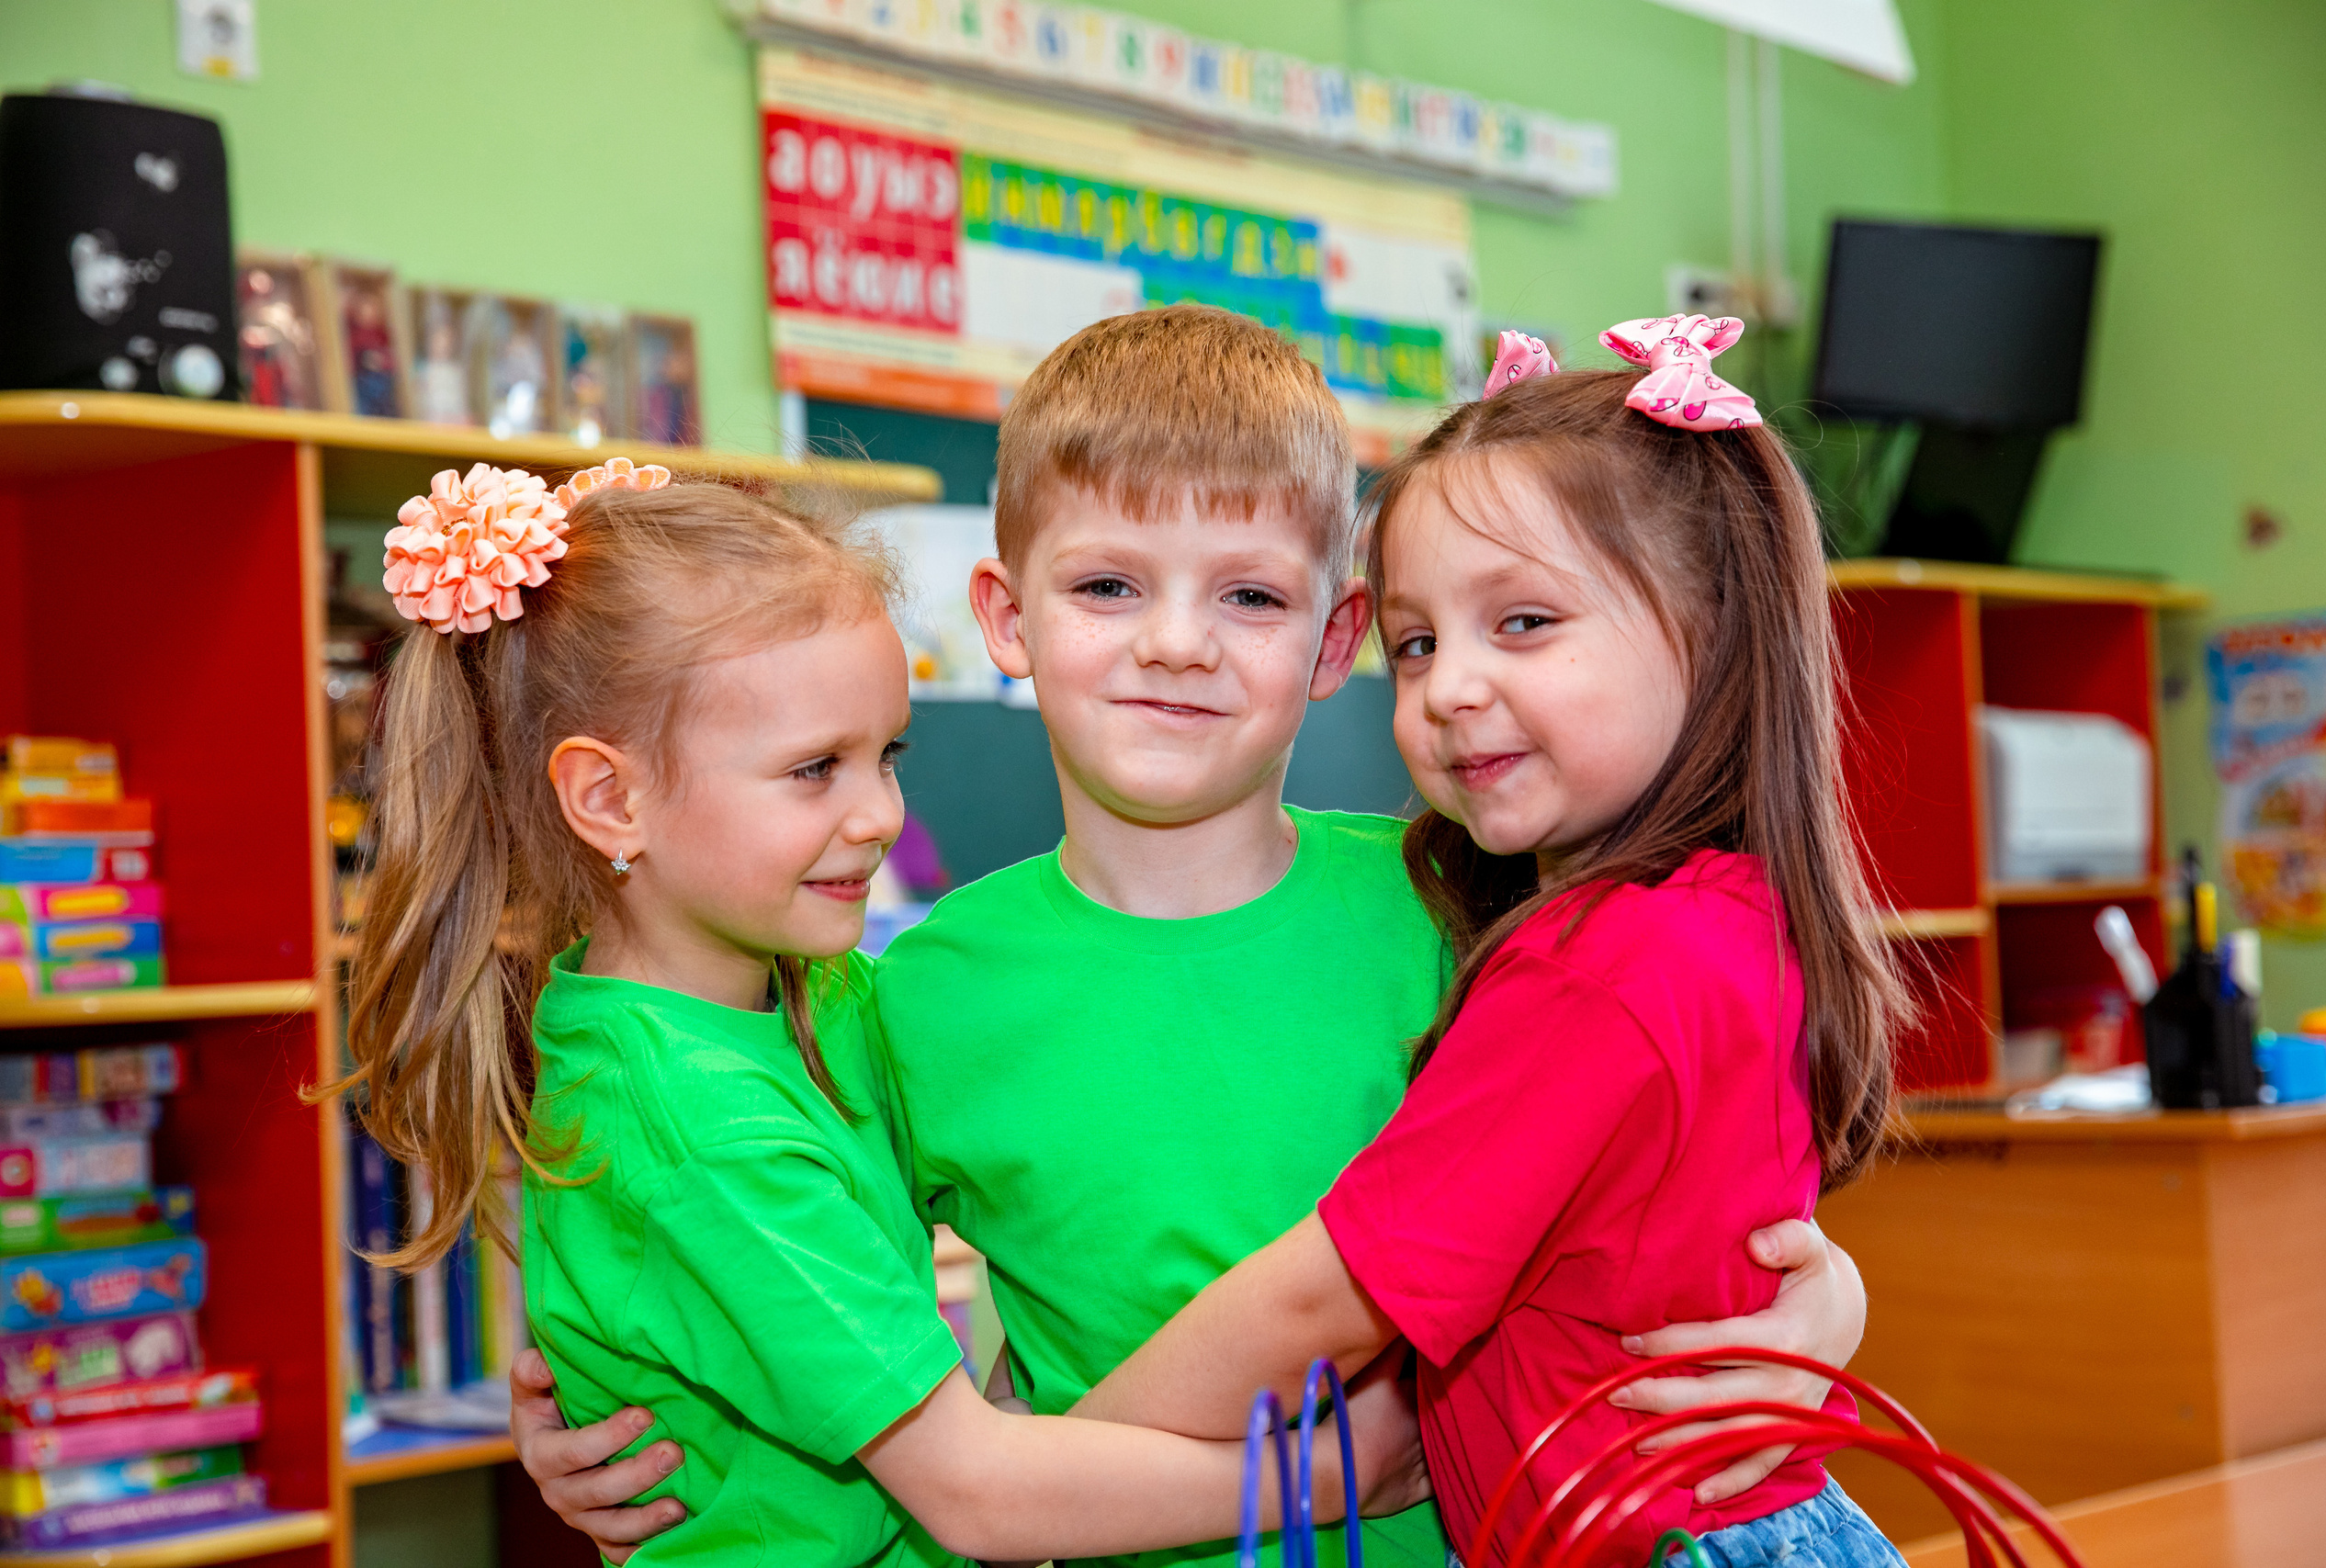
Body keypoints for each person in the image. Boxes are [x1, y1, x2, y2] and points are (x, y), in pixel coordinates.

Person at [514, 308, 1871, 1565]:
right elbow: (702, 1222)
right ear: (1006, 619)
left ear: (1338, 636)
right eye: (1108, 585)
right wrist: (585, 1396)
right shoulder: (905, 996)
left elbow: (1678, 1170)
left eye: (1251, 597)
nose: (1175, 643)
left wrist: (1828, 1299)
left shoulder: (1473, 902)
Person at [331, 456, 1426, 1567]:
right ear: (612, 800)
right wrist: (1335, 1472)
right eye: (815, 770)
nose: (882, 815)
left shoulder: (814, 994)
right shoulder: (692, 1125)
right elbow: (977, 1494)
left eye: (885, 755)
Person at [1068, 320, 1914, 1568]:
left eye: (1520, 621)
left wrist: (1067, 1461)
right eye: (1417, 643)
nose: (1450, 685)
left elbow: (1326, 1295)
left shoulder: (1600, 963)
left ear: (1713, 631)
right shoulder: (1727, 912)